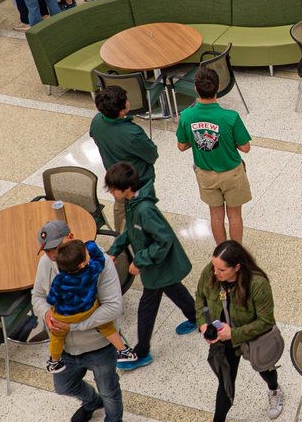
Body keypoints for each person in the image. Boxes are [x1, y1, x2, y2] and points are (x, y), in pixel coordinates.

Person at [32, 218, 128, 422]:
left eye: (55, 248)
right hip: (64, 348)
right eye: (48, 250)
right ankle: (91, 401)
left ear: (71, 236)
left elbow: (113, 307)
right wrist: (46, 314)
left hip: (98, 347)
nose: (52, 254)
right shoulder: (46, 264)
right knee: (63, 386)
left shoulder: (101, 264)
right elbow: (38, 296)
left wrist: (75, 324)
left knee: (110, 391)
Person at [104, 162, 198, 370]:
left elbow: (164, 240)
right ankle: (196, 317)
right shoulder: (132, 203)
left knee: (147, 307)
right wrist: (114, 250)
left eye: (113, 188)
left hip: (158, 265)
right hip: (158, 267)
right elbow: (130, 230)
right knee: (174, 288)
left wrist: (140, 260)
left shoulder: (145, 210)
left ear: (127, 188)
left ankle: (142, 352)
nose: (110, 192)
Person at [191, 239, 283, 422]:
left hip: (251, 338)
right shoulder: (210, 271)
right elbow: (200, 298)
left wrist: (235, 333)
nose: (215, 273)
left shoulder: (258, 284)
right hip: (224, 341)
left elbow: (266, 321)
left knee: (265, 369)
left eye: (222, 270)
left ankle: (274, 390)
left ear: (237, 267)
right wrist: (203, 325)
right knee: (225, 381)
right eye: (214, 267)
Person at [176, 67, 253, 244]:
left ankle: (221, 250)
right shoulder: (230, 117)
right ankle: (236, 252)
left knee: (216, 215)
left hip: (205, 174)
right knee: (235, 216)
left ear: (196, 89)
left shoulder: (187, 115)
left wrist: (196, 140)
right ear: (218, 88)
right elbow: (245, 147)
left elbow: (181, 146)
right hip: (232, 173)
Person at [44, 235, 138, 373]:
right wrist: (90, 245)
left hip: (65, 316)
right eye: (87, 254)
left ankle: (55, 361)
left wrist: (52, 310)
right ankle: (123, 350)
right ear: (82, 264)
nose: (88, 254)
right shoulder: (91, 271)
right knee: (106, 326)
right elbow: (100, 258)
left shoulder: (59, 279)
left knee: (57, 336)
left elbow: (52, 299)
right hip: (89, 310)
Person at [90, 85, 158, 233]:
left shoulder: (97, 121)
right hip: (138, 181)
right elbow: (152, 155)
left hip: (114, 176)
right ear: (122, 110)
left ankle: (121, 237)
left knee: (120, 208)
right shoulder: (132, 133)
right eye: (126, 100)